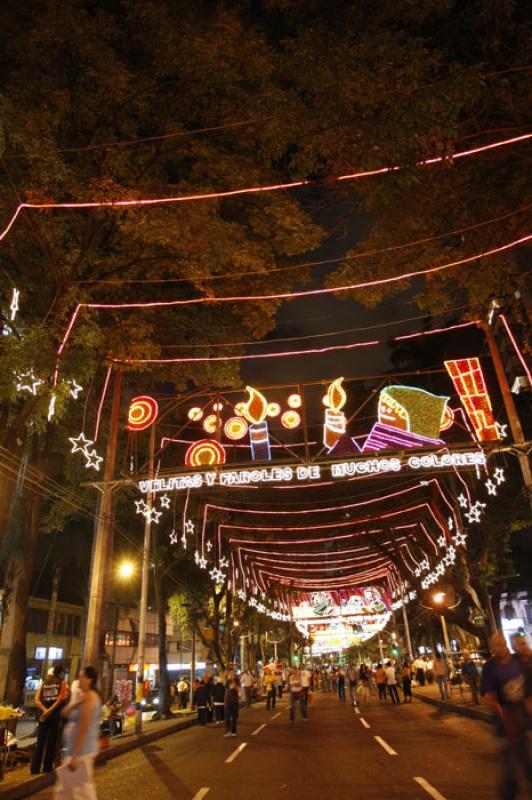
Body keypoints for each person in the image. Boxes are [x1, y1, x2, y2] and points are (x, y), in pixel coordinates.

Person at [481, 631, 531, 800]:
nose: (501, 648)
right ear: (493, 648)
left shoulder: (518, 663)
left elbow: (527, 692)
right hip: (504, 726)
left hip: (522, 722)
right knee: (509, 769)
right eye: (497, 646)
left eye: (503, 645)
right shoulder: (489, 667)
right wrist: (504, 717)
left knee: (527, 763)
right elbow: (489, 696)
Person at [54, 666, 102, 800]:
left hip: (81, 751)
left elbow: (84, 728)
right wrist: (76, 702)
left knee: (75, 792)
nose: (79, 680)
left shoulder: (91, 698)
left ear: (89, 680)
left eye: (81, 677)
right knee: (70, 791)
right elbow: (65, 713)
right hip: (75, 749)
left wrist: (74, 756)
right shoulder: (83, 697)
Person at [31, 665, 68, 774]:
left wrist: (44, 710)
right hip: (54, 716)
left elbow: (37, 700)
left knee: (40, 743)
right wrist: (50, 711)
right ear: (60, 673)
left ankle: (35, 768)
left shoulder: (44, 683)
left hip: (43, 716)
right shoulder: (62, 682)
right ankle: (47, 767)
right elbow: (60, 699)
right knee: (51, 742)